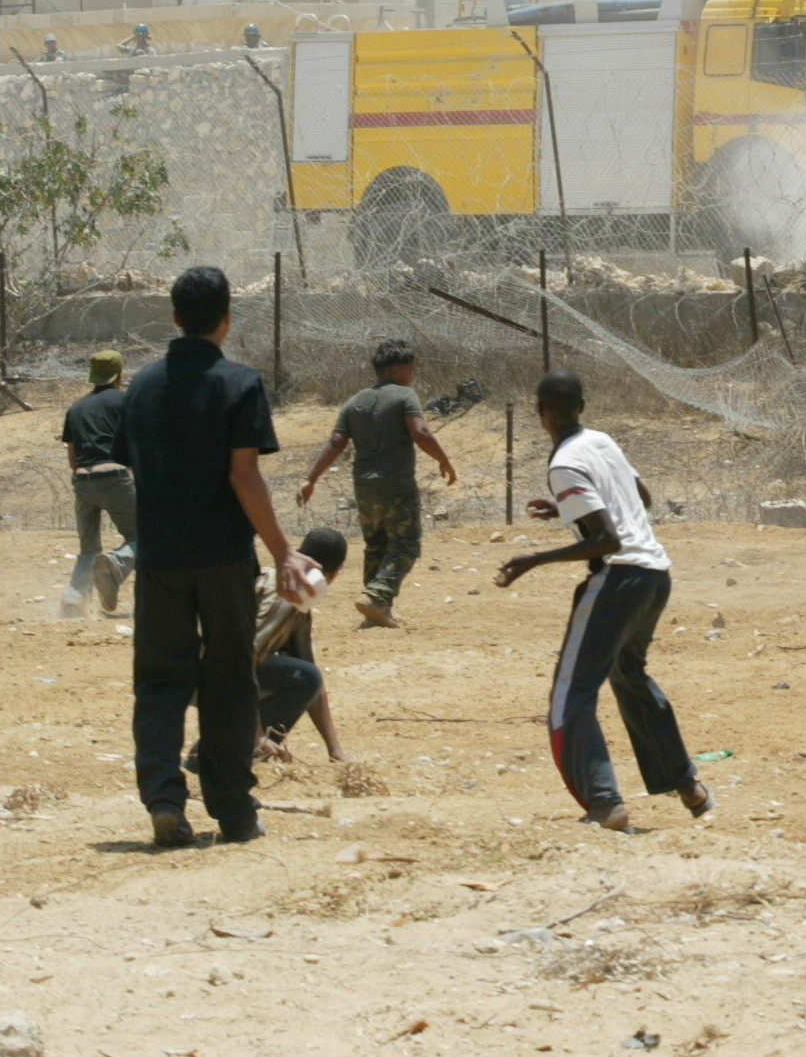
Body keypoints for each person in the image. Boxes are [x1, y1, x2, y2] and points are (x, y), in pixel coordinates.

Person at [118, 265, 312, 849]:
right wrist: (283, 550)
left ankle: (163, 800)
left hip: (160, 559)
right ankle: (233, 811)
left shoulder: (141, 388)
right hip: (224, 558)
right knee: (228, 681)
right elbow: (243, 475)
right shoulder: (239, 383)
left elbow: (136, 468)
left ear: (175, 317)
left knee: (160, 682)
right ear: (227, 318)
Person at [494, 370, 713, 832]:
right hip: (655, 575)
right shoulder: (602, 441)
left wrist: (534, 559)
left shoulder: (564, 463)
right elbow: (641, 498)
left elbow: (607, 540)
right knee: (628, 676)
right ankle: (687, 785)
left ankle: (604, 803)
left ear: (540, 412)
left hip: (617, 579)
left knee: (571, 694)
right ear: (582, 406)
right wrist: (568, 508)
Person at [296, 339, 456, 628]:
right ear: (395, 371)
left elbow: (335, 443)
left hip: (364, 487)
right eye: (410, 370)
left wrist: (311, 478)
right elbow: (419, 431)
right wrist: (443, 459)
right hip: (396, 484)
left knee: (376, 545)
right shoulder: (404, 395)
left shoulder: (354, 402)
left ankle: (377, 608)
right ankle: (377, 596)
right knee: (406, 546)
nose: (412, 375)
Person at [252, 527, 350, 763]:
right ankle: (244, 746)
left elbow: (314, 684)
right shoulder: (288, 598)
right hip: (208, 674)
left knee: (306, 676)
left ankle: (210, 753)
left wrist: (335, 751)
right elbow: (238, 660)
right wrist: (256, 736)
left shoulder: (284, 587)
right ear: (334, 573)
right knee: (303, 678)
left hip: (201, 671)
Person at [58, 350, 137, 619]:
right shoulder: (125, 401)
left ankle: (73, 598)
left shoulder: (76, 408)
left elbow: (72, 459)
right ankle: (115, 563)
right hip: (115, 478)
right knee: (143, 538)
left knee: (89, 549)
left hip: (83, 480)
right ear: (119, 375)